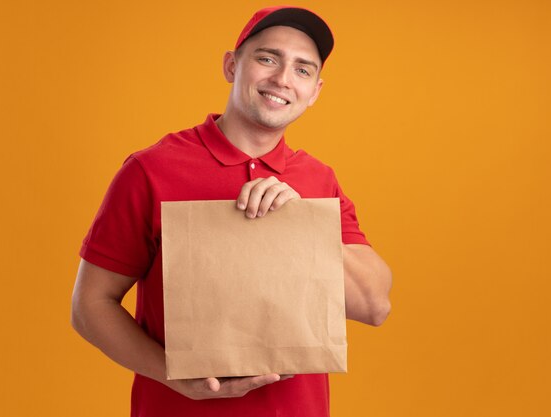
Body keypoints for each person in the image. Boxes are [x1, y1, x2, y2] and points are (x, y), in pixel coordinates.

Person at [71, 6, 392, 417]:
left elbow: (374, 305)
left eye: (302, 70)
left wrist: (301, 223)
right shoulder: (151, 170)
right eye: (267, 58)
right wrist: (175, 379)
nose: (282, 79)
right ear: (230, 65)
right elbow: (90, 305)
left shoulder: (317, 180)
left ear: (315, 91)